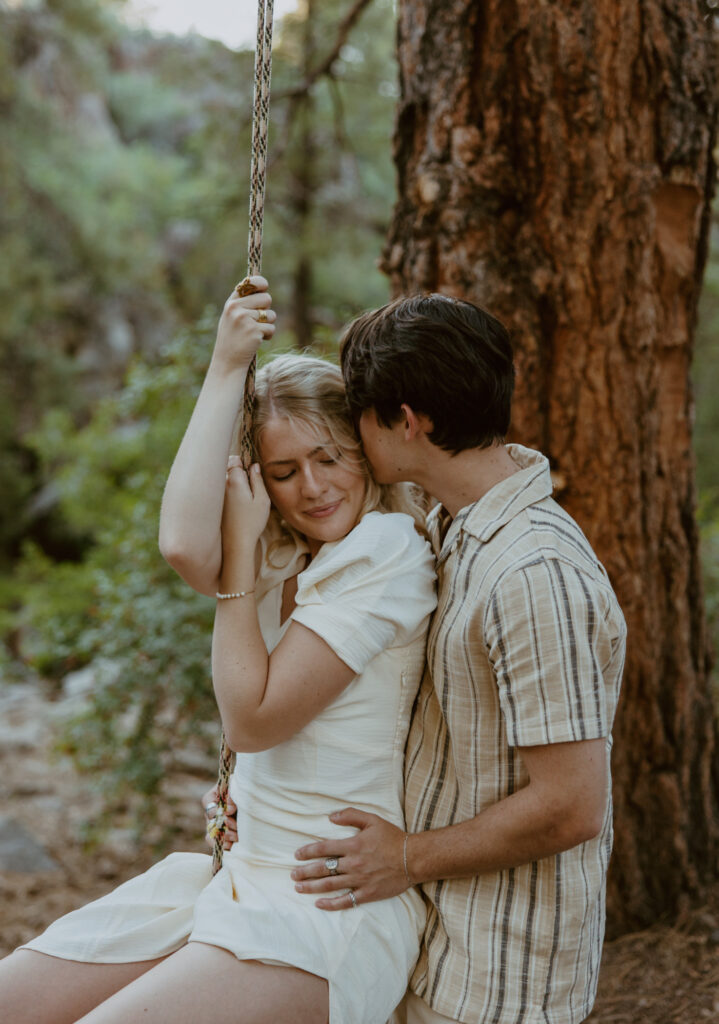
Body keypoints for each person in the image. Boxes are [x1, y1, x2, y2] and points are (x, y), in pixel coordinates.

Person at [0, 278, 437, 1024]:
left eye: (329, 457)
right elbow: (179, 543)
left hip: (322, 908)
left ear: (362, 449)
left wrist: (241, 555)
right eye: (282, 472)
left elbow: (253, 722)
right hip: (231, 873)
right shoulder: (289, 552)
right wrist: (225, 366)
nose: (313, 488)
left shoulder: (384, 550)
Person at [290, 294, 627, 1024]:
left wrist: (405, 856)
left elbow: (571, 805)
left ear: (408, 421)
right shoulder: (444, 526)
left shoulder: (533, 575)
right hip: (430, 943)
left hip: (500, 977)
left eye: (362, 415)